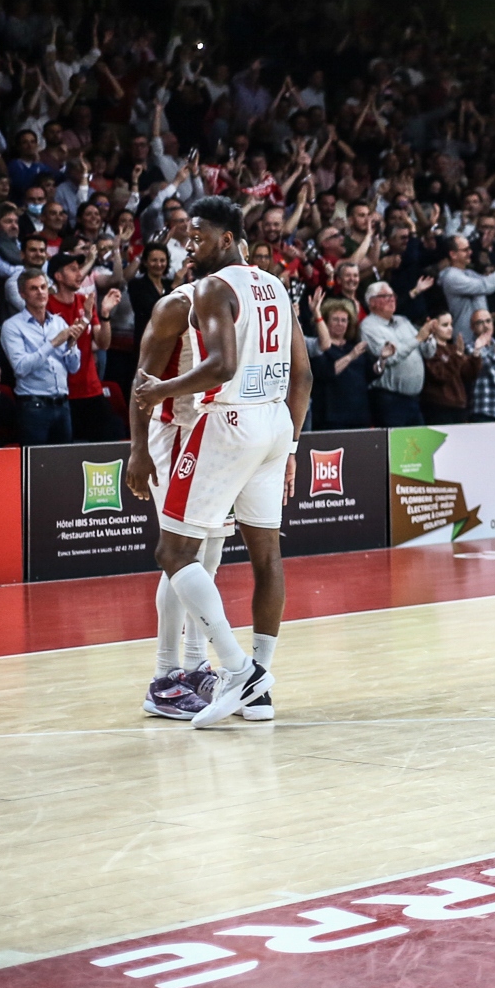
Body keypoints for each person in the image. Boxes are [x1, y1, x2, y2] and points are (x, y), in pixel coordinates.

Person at [129, 196, 311, 729]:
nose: (189, 244)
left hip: (224, 425)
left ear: (228, 240)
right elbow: (301, 376)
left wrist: (165, 389)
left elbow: (215, 367)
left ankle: (224, 673)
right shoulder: (265, 286)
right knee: (209, 555)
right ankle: (185, 673)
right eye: (186, 237)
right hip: (224, 428)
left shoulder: (216, 290)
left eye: (198, 235)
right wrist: (139, 448)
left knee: (189, 554)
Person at [125, 258, 236, 721]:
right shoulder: (175, 306)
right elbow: (140, 382)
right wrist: (137, 449)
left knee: (208, 556)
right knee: (180, 555)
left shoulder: (235, 303)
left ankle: (194, 665)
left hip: (213, 436)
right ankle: (164, 676)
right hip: (172, 435)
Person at [1, 270, 83, 445]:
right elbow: (21, 368)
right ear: (22, 294)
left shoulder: (59, 323)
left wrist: (72, 344)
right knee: (35, 466)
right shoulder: (12, 326)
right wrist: (53, 343)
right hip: (33, 407)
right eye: (33, 288)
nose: (40, 292)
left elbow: (74, 367)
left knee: (63, 462)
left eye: (43, 287)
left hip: (62, 404)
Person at [47, 253, 120, 441]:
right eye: (73, 269)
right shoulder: (47, 305)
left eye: (79, 269)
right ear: (58, 276)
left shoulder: (84, 301)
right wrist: (86, 318)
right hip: (61, 392)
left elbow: (103, 343)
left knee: (107, 445)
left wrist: (104, 314)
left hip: (91, 388)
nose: (79, 274)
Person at [360, 279, 430, 428]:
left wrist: (429, 337)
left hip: (414, 399)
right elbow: (390, 358)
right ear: (372, 302)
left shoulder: (403, 320)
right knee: (395, 448)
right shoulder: (368, 326)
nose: (392, 299)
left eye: (393, 295)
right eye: (386, 296)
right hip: (390, 400)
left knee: (419, 447)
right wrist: (418, 338)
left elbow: (428, 353)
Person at [310, 300, 376, 429]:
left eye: (344, 320)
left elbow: (370, 374)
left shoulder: (353, 346)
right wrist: (351, 356)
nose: (340, 324)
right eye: (335, 320)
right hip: (331, 417)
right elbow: (325, 373)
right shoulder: (318, 348)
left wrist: (383, 360)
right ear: (326, 322)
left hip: (359, 415)